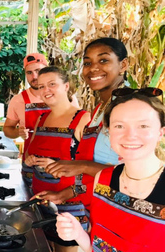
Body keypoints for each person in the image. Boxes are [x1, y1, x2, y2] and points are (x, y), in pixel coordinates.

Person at [56, 88, 165, 252]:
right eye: (119, 126)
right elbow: (99, 251)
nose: (129, 135)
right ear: (108, 132)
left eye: (143, 126)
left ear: (161, 132)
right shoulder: (103, 179)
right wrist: (77, 233)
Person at [25, 66, 90, 252]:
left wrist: (63, 190)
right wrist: (30, 160)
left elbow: (92, 167)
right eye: (40, 86)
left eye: (52, 84)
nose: (46, 90)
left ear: (66, 85)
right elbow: (30, 155)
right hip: (43, 201)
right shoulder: (42, 118)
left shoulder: (82, 119)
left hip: (69, 203)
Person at [40, 38, 128, 211]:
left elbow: (136, 174)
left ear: (123, 65)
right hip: (96, 207)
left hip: (120, 210)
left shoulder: (128, 106)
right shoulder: (98, 110)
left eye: (103, 60)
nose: (93, 68)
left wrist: (81, 166)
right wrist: (63, 194)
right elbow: (93, 176)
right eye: (87, 63)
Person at [4, 53, 79, 186]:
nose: (34, 77)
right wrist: (18, 133)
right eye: (29, 72)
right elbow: (7, 129)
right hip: (32, 166)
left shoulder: (70, 101)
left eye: (38, 71)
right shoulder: (18, 101)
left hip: (63, 169)